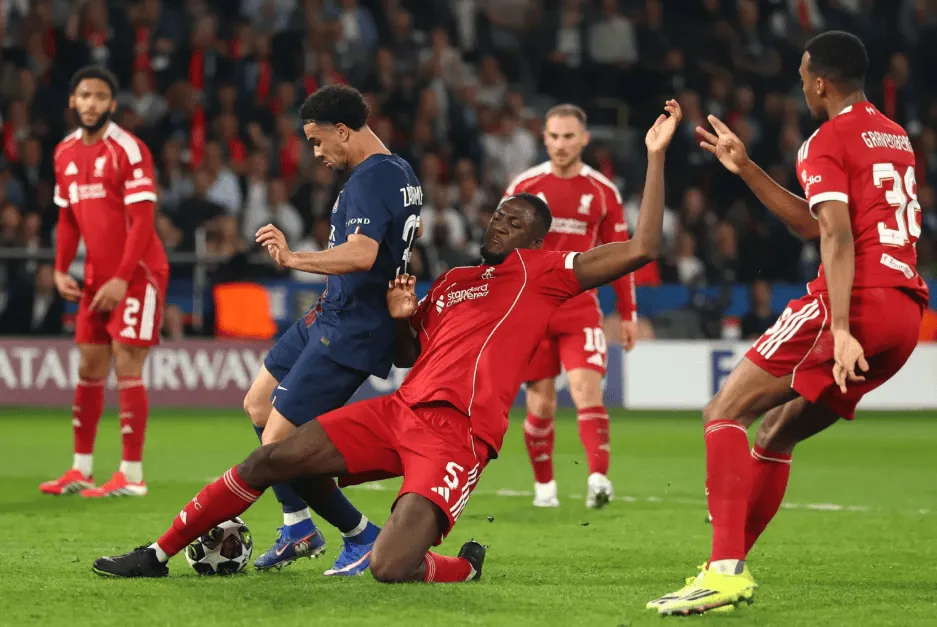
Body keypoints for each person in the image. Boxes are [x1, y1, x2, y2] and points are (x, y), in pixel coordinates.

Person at [91, 99, 682, 582]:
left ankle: (459, 566)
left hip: (458, 436)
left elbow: (642, 248)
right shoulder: (453, 282)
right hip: (400, 411)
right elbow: (405, 355)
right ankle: (157, 553)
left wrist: (655, 158)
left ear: (537, 241)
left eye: (515, 223)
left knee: (390, 567)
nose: (499, 225)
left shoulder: (545, 274)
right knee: (273, 455)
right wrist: (401, 317)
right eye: (499, 216)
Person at [647, 31, 928, 615]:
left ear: (820, 83)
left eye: (803, 78)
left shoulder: (826, 139)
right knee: (776, 434)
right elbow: (815, 222)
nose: (801, 87)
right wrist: (747, 169)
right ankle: (726, 569)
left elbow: (836, 237)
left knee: (723, 411)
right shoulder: (895, 136)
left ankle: (723, 572)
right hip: (904, 313)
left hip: (854, 302)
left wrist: (842, 328)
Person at [244, 84, 424, 575]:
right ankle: (297, 525)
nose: (317, 153)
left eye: (318, 141)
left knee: (278, 445)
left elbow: (363, 254)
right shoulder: (401, 172)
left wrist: (292, 258)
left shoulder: (371, 178)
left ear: (343, 131)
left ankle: (360, 535)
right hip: (331, 313)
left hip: (351, 326)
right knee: (258, 404)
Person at [40, 66, 168, 499]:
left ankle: (132, 475)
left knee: (127, 364)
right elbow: (66, 218)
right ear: (72, 101)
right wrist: (61, 268)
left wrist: (122, 278)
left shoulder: (128, 149)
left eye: (99, 96)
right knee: (89, 367)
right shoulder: (64, 152)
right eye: (84, 95)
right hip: (95, 277)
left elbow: (143, 221)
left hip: (139, 274)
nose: (91, 103)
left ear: (112, 104)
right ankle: (81, 470)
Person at [504, 104, 637, 509]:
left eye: (568, 136)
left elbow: (622, 255)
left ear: (584, 139)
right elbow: (500, 247)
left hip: (580, 307)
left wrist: (628, 314)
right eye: (554, 136)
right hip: (533, 310)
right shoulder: (525, 185)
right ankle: (545, 489)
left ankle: (598, 480)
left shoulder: (602, 191)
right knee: (541, 404)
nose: (560, 144)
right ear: (544, 138)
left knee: (586, 391)